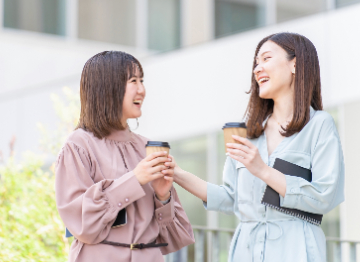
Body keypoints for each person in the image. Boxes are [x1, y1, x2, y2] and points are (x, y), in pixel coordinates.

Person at [171, 33, 345, 261]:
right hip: (246, 251)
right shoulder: (249, 134)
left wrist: (262, 169)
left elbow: (325, 196)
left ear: (295, 64)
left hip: (296, 251)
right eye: (256, 63)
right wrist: (177, 174)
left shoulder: (319, 125)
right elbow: (231, 198)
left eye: (266, 59)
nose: (257, 68)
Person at [55, 51, 194, 262]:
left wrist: (163, 197)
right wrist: (135, 179)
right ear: (108, 87)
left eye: (142, 80)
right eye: (133, 81)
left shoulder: (146, 146)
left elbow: (171, 235)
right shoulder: (79, 145)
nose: (142, 90)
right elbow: (80, 222)